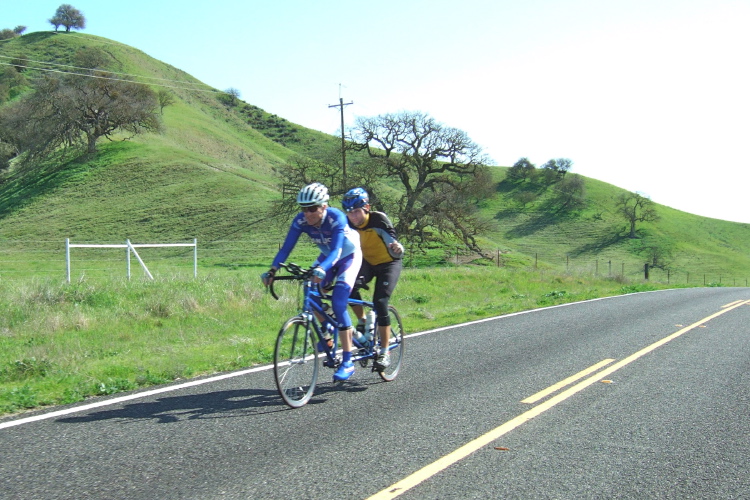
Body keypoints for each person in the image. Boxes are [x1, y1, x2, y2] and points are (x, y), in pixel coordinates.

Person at [262, 183, 362, 381]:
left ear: (323, 206)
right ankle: (327, 332)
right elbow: (286, 249)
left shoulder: (337, 218)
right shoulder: (301, 221)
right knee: (311, 293)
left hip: (347, 256)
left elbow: (336, 251)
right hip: (326, 257)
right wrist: (272, 270)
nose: (307, 213)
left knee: (339, 303)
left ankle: (348, 362)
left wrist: (322, 269)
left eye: (312, 208)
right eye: (303, 208)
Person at [341, 187, 403, 369]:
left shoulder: (378, 219)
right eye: (350, 213)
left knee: (380, 302)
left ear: (366, 207)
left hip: (388, 263)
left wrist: (398, 247)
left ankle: (385, 351)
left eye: (357, 212)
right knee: (348, 286)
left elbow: (393, 240)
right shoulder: (347, 223)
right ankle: (362, 323)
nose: (353, 217)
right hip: (367, 263)